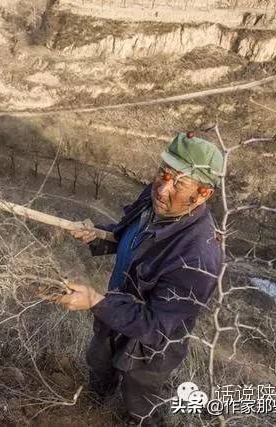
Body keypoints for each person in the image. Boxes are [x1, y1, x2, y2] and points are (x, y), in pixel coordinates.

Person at [58, 132, 223, 425]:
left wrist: (96, 301)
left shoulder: (197, 258)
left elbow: (158, 326)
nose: (162, 188)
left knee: (139, 398)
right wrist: (97, 234)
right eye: (164, 173)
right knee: (99, 364)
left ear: (202, 194)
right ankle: (93, 410)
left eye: (179, 183)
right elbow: (132, 238)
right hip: (115, 315)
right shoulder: (155, 199)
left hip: (150, 347)